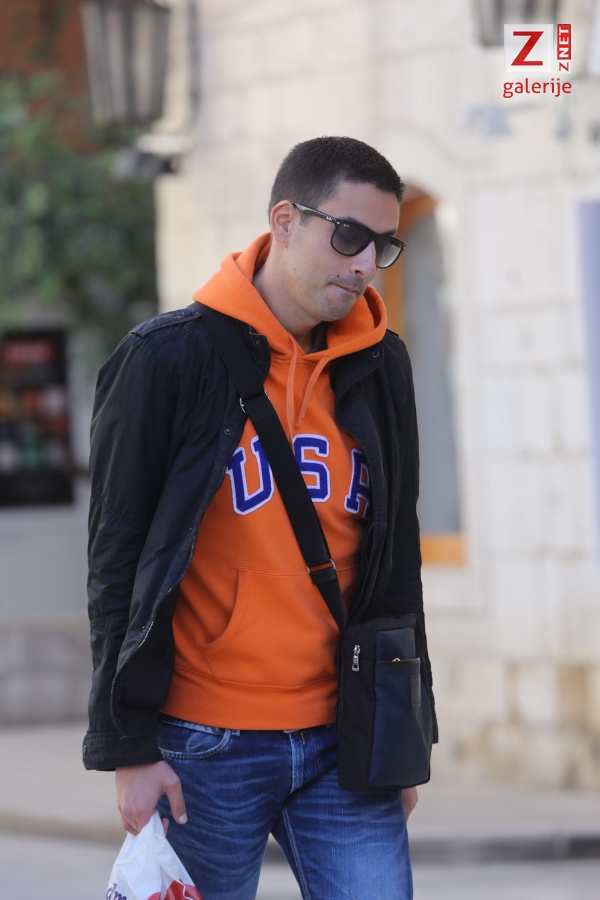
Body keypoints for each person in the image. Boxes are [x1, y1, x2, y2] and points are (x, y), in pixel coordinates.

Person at [83, 135, 437, 900]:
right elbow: (117, 559)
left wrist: (402, 734)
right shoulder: (165, 359)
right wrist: (127, 747)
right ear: (284, 220)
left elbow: (394, 558)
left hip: (345, 739)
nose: (364, 265)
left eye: (383, 246)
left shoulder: (382, 364)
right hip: (201, 744)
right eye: (349, 236)